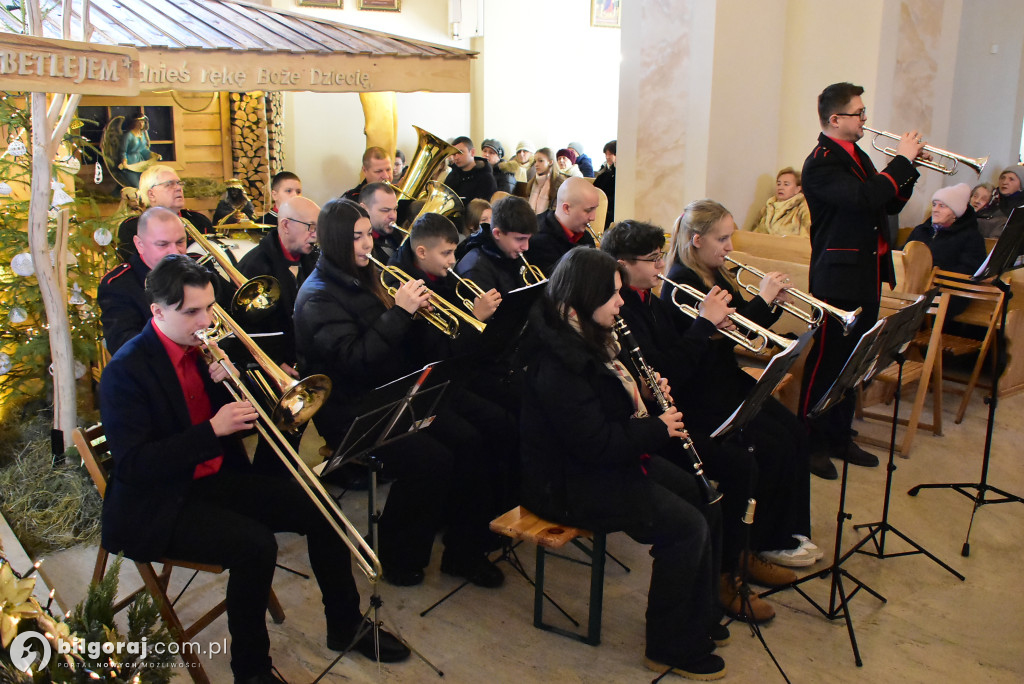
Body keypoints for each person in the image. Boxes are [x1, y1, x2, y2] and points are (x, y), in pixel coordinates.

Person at [99, 254, 410, 684]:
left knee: (324, 509)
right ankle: (252, 671)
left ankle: (345, 624)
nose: (205, 320)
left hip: (216, 479)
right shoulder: (126, 372)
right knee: (255, 546)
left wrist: (237, 386)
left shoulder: (203, 349)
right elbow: (135, 465)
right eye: (191, 312)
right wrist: (213, 429)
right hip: (160, 502)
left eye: (209, 308)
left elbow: (249, 418)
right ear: (157, 311)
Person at [519, 248, 728, 680]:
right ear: (582, 298)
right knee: (686, 527)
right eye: (612, 295)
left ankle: (698, 615)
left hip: (606, 464)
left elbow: (608, 409)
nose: (621, 302)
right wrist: (658, 428)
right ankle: (667, 645)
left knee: (705, 498)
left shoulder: (591, 336)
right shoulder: (557, 362)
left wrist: (647, 398)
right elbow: (595, 444)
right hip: (567, 485)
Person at [293, 198, 504, 589]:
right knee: (432, 459)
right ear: (336, 241)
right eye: (356, 238)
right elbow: (357, 361)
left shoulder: (365, 276)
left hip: (393, 393)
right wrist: (401, 313)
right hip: (353, 411)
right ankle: (398, 554)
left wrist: (420, 319)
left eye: (367, 234)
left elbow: (394, 350)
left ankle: (463, 551)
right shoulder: (318, 295)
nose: (368, 244)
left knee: (471, 441)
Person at [798, 82, 925, 469]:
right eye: (860, 112)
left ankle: (839, 436)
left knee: (854, 361)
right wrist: (900, 162)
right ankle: (811, 441)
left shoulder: (859, 155)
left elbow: (884, 201)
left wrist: (910, 167)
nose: (865, 118)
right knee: (827, 361)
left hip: (865, 274)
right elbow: (861, 199)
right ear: (836, 119)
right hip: (837, 277)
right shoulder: (821, 161)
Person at [237, 196, 320, 374]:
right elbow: (246, 328)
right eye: (311, 227)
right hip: (275, 366)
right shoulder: (254, 266)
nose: (316, 234)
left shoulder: (316, 259)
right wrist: (275, 362)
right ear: (285, 225)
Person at [100, 207, 189, 355]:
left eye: (180, 242)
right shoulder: (119, 285)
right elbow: (122, 344)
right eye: (163, 244)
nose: (175, 252)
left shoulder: (198, 270)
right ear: (139, 245)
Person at [117, 164, 213, 261]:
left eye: (179, 183)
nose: (179, 188)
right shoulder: (133, 227)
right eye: (170, 184)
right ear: (151, 194)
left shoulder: (199, 221)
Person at [456, 195, 540, 294]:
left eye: (528, 239)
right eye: (520, 239)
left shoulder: (510, 251)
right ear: (497, 233)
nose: (526, 247)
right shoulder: (476, 269)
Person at [905, 183, 987, 278]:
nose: (935, 210)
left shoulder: (971, 237)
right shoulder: (921, 230)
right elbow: (903, 253)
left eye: (942, 206)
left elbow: (970, 271)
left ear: (955, 213)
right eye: (934, 205)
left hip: (942, 288)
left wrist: (933, 274)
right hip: (910, 283)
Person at [529, 176, 599, 274]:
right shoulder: (538, 241)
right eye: (588, 210)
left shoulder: (585, 238)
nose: (593, 217)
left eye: (595, 209)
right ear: (566, 208)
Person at [750, 167, 811, 236]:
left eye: (786, 184)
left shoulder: (804, 207)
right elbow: (753, 233)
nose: (780, 187)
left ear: (797, 189)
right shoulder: (768, 207)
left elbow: (807, 237)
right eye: (778, 184)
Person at [358, 182, 403, 263]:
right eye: (385, 210)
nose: (393, 216)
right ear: (364, 209)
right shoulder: (361, 249)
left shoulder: (395, 231)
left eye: (395, 209)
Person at [444, 136, 498, 204]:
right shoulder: (452, 176)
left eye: (460, 152)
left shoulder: (486, 179)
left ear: (472, 152)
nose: (456, 157)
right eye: (454, 154)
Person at [977, 166, 1024, 237]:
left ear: (1021, 185)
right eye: (1002, 178)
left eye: (1011, 179)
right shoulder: (991, 199)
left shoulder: (1021, 207)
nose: (1005, 182)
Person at [118, 114, 157, 188]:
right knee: (136, 185)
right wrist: (124, 163)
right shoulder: (128, 135)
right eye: (138, 121)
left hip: (140, 162)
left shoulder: (142, 135)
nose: (141, 124)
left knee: (146, 184)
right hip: (130, 163)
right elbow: (123, 151)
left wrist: (153, 155)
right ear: (134, 123)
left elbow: (143, 150)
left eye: (142, 122)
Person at [525, 148, 565, 216]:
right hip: (531, 221)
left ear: (550, 162)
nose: (536, 164)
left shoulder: (559, 183)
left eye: (540, 161)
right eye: (535, 161)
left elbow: (558, 212)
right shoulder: (533, 181)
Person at [593, 140, 617, 229]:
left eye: (610, 154)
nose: (607, 157)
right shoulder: (604, 173)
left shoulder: (620, 177)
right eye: (606, 154)